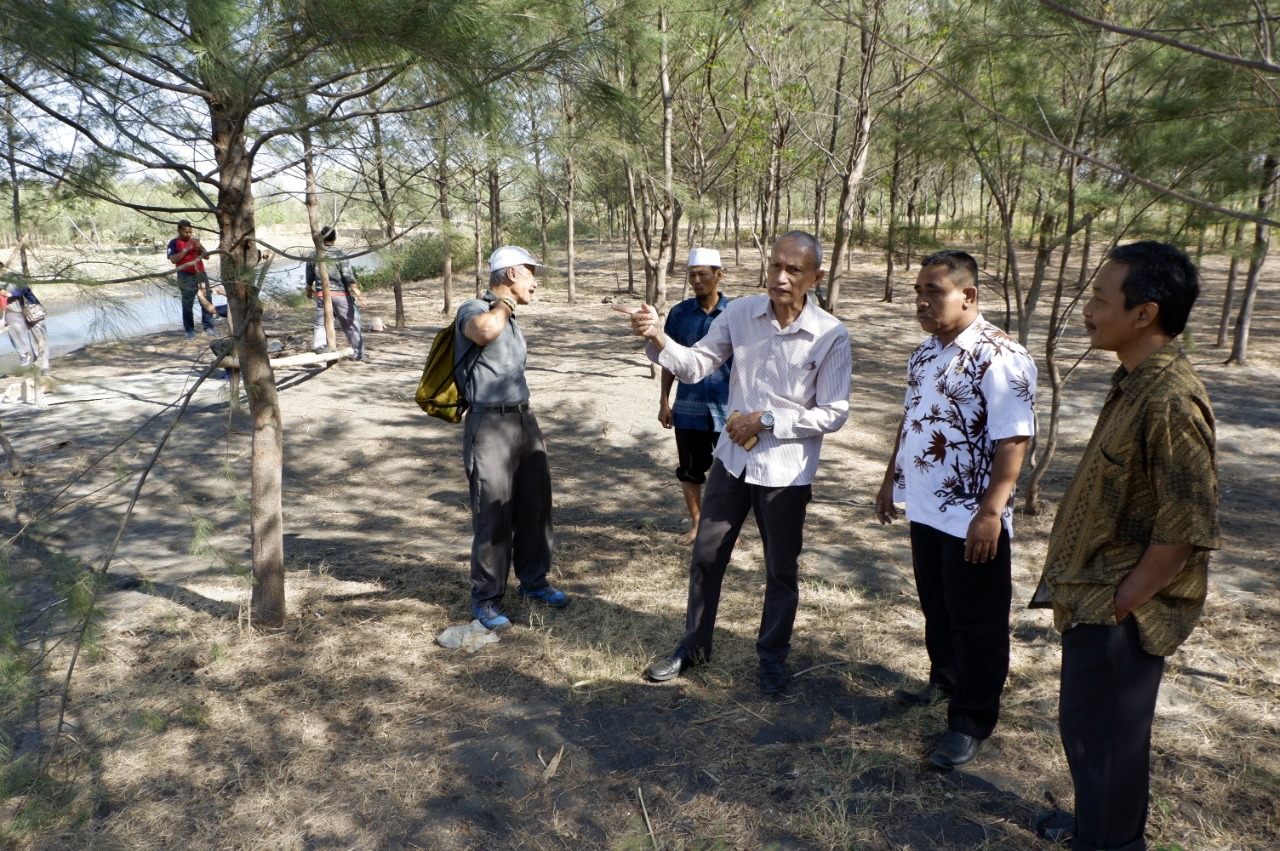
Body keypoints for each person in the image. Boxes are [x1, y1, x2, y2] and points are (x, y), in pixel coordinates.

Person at [1030, 242, 1218, 851]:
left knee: (1107, 741)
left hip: (1120, 614)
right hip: (1095, 601)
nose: (1087, 309)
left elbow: (1184, 529)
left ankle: (1108, 843)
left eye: (1100, 298)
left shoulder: (1169, 399)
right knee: (1092, 736)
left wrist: (1121, 604)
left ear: (1145, 313)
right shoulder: (1134, 381)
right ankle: (1098, 828)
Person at [619, 231, 851, 694]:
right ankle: (695, 645)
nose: (781, 278)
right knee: (706, 557)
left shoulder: (830, 334)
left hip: (786, 471)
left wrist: (765, 419)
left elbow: (834, 412)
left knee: (780, 570)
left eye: (794, 270)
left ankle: (771, 656)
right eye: (775, 266)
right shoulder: (742, 313)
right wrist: (658, 335)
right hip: (732, 463)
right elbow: (696, 365)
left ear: (816, 277)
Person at [874, 249, 1037, 770]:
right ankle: (944, 681)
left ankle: (971, 719)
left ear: (968, 296)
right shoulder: (925, 353)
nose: (921, 302)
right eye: (918, 292)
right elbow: (911, 420)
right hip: (926, 508)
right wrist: (889, 481)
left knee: (977, 621)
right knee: (937, 607)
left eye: (933, 293)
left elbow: (1014, 439)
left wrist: (991, 512)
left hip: (973, 518)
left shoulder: (1001, 356)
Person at [455, 245, 567, 631]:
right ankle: (486, 599)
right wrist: (502, 303)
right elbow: (484, 332)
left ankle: (534, 583)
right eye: (531, 273)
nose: (536, 282)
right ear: (511, 274)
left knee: (536, 508)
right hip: (488, 426)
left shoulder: (512, 319)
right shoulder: (474, 310)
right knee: (494, 513)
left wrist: (533, 433)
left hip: (522, 420)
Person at [660, 248, 732, 544]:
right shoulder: (679, 314)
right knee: (689, 470)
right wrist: (664, 401)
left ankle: (726, 527)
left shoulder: (735, 314)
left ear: (719, 275)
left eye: (703, 274)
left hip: (728, 408)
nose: (697, 280)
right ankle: (699, 524)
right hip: (688, 407)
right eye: (692, 274)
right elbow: (669, 358)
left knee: (730, 470)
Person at [305, 226, 367, 361]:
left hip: (322, 295)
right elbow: (348, 277)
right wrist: (359, 295)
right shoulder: (339, 254)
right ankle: (358, 352)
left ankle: (320, 349)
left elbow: (309, 277)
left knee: (321, 323)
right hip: (340, 295)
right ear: (334, 238)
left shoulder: (313, 254)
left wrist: (309, 291)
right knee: (351, 322)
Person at [167, 220, 215, 340]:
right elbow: (173, 259)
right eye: (185, 232)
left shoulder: (195, 241)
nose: (189, 235)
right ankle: (189, 330)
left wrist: (201, 248)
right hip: (185, 275)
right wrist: (186, 249)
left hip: (201, 274)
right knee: (187, 303)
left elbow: (207, 256)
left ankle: (208, 327)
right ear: (179, 231)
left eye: (190, 232)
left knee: (206, 300)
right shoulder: (173, 243)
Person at [0, 263, 50, 374]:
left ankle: (43, 369)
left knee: (39, 340)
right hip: (14, 313)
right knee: (13, 329)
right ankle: (23, 353)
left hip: (32, 310)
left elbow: (22, 290)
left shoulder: (14, 277)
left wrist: (8, 293)